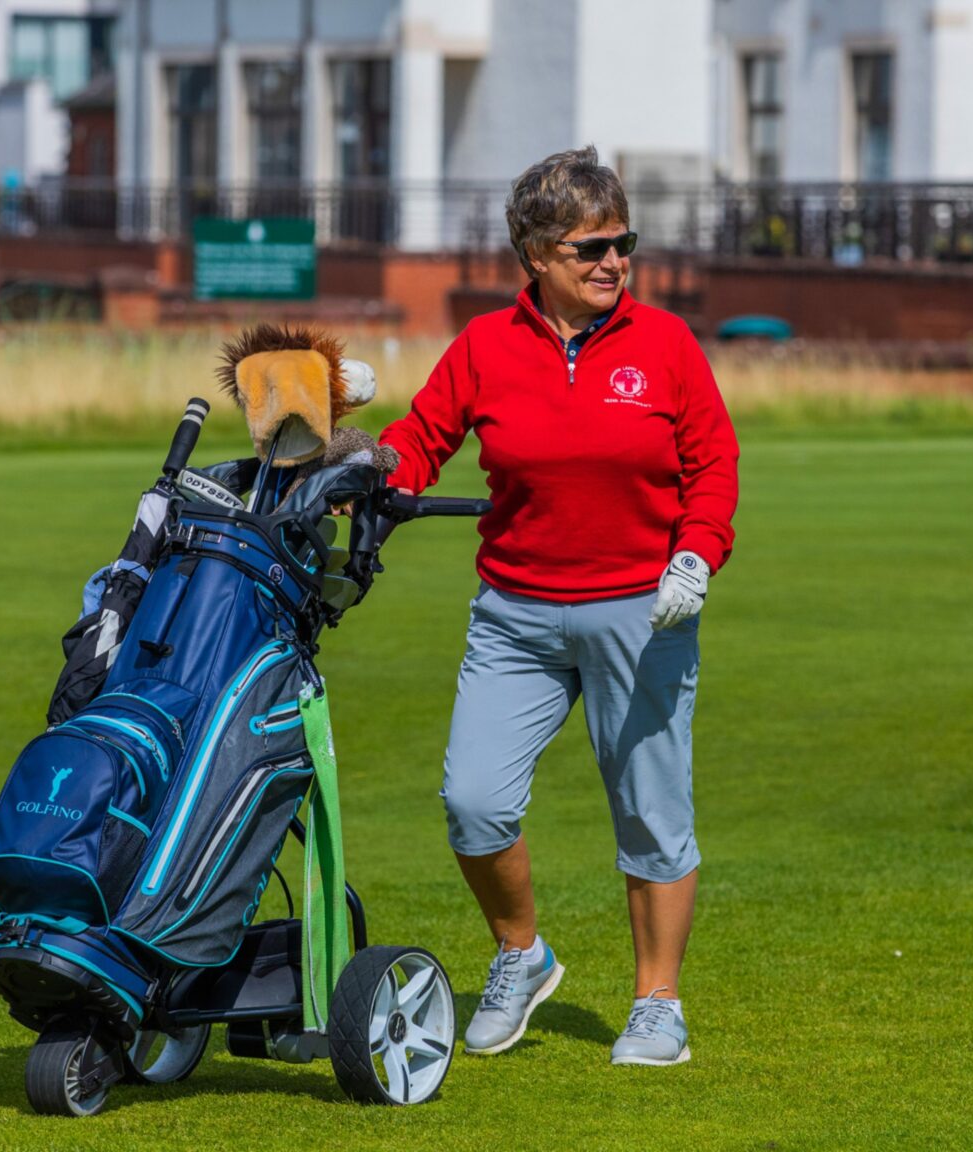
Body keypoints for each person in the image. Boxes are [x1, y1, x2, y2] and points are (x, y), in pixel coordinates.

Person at [378, 146, 739, 1067]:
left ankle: (658, 1004)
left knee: (652, 814)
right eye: (590, 248)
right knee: (473, 801)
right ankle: (521, 954)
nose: (613, 262)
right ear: (534, 255)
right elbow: (419, 442)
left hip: (643, 611)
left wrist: (696, 557)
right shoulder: (485, 347)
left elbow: (713, 464)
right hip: (517, 614)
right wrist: (361, 473)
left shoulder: (665, 345)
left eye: (624, 242)